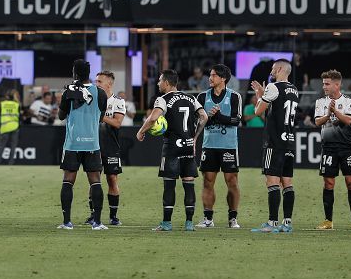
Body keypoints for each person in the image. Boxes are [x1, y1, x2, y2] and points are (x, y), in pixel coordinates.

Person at [136, 69, 208, 232]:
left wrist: (141, 131)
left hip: (172, 148)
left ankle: (167, 223)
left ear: (167, 83)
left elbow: (153, 118)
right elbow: (204, 117)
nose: (158, 83)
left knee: (169, 185)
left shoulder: (163, 99)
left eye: (160, 80)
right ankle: (189, 223)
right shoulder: (191, 97)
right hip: (188, 146)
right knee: (188, 184)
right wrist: (195, 137)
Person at [56, 59, 108, 230]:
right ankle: (98, 223)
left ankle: (66, 222)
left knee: (68, 181)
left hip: (72, 144)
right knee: (95, 181)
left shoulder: (68, 92)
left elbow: (61, 116)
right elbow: (101, 118)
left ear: (75, 73)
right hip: (92, 143)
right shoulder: (100, 93)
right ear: (89, 73)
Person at [250, 59, 300, 233]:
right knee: (287, 183)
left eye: (272, 69)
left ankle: (272, 223)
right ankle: (287, 223)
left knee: (272, 182)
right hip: (289, 141)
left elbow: (258, 111)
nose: (271, 72)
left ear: (279, 69)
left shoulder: (273, 87)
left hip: (274, 142)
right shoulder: (294, 89)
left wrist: (259, 93)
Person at [312, 70, 351, 231]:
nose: (324, 86)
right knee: (328, 183)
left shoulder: (349, 101)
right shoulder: (320, 102)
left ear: (337, 84)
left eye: (327, 84)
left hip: (346, 147)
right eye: (323, 83)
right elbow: (318, 122)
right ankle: (328, 221)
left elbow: (348, 120)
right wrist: (328, 115)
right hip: (329, 148)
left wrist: (335, 112)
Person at [195, 64, 244, 229]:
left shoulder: (234, 96)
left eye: (214, 75)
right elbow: (198, 122)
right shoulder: (202, 97)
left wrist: (219, 117)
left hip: (228, 146)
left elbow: (237, 120)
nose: (210, 78)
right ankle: (208, 219)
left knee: (232, 182)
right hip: (209, 146)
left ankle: (233, 218)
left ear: (223, 79)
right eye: (210, 75)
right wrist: (205, 120)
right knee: (207, 182)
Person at [93, 71, 126, 226]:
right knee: (94, 180)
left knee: (112, 179)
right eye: (96, 81)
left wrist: (100, 116)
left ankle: (113, 216)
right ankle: (93, 215)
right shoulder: (92, 100)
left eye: (99, 81)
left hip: (111, 146)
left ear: (109, 84)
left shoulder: (118, 101)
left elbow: (117, 123)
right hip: (93, 145)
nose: (96, 84)